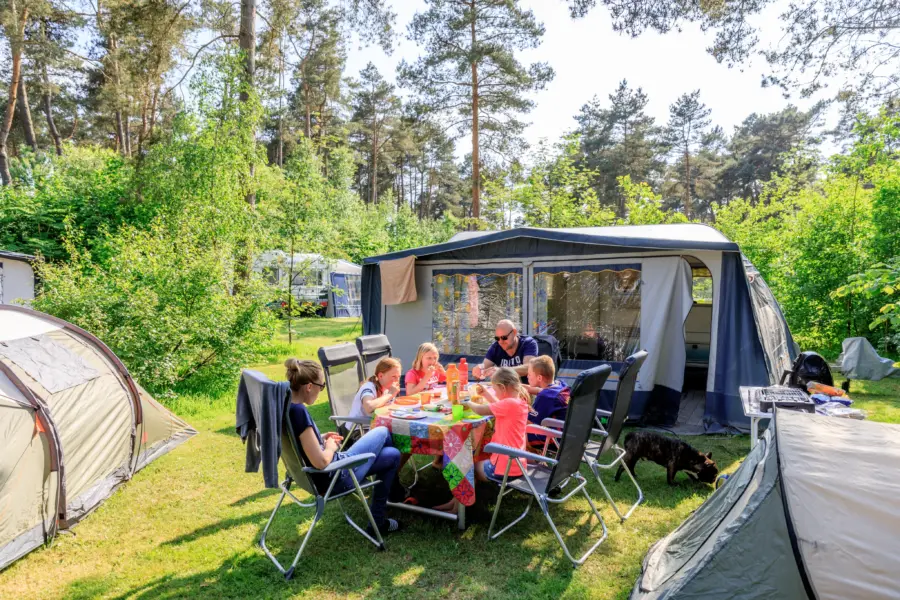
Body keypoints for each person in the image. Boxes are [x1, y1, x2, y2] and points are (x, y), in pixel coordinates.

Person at [285, 358, 402, 535]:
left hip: (319, 475)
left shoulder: (286, 406)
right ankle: (391, 501)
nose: (320, 391)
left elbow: (297, 442)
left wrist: (320, 438)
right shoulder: (299, 412)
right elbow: (321, 462)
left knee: (392, 454)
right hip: (336, 475)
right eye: (321, 386)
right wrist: (330, 446)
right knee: (383, 431)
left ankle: (378, 520)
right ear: (309, 386)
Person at [434, 367, 531, 513]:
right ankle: (455, 503)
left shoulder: (509, 404)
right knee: (472, 461)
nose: (495, 393)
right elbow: (498, 407)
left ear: (502, 388)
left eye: (495, 390)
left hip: (504, 470)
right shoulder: (518, 403)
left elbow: (481, 410)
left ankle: (459, 507)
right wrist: (486, 394)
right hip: (516, 465)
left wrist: (467, 402)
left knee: (467, 466)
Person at [523, 355, 571, 447]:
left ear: (539, 378)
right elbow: (540, 391)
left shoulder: (545, 397)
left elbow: (529, 422)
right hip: (567, 435)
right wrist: (516, 386)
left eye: (529, 374)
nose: (527, 376)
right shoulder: (560, 384)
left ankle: (514, 454)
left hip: (554, 439)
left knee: (516, 430)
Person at [472, 319, 538, 379]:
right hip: (504, 387)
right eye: (497, 338)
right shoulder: (495, 347)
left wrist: (501, 371)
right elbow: (484, 367)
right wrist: (478, 371)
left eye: (504, 337)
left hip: (526, 387)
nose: (501, 342)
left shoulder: (528, 343)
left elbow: (528, 368)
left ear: (514, 332)